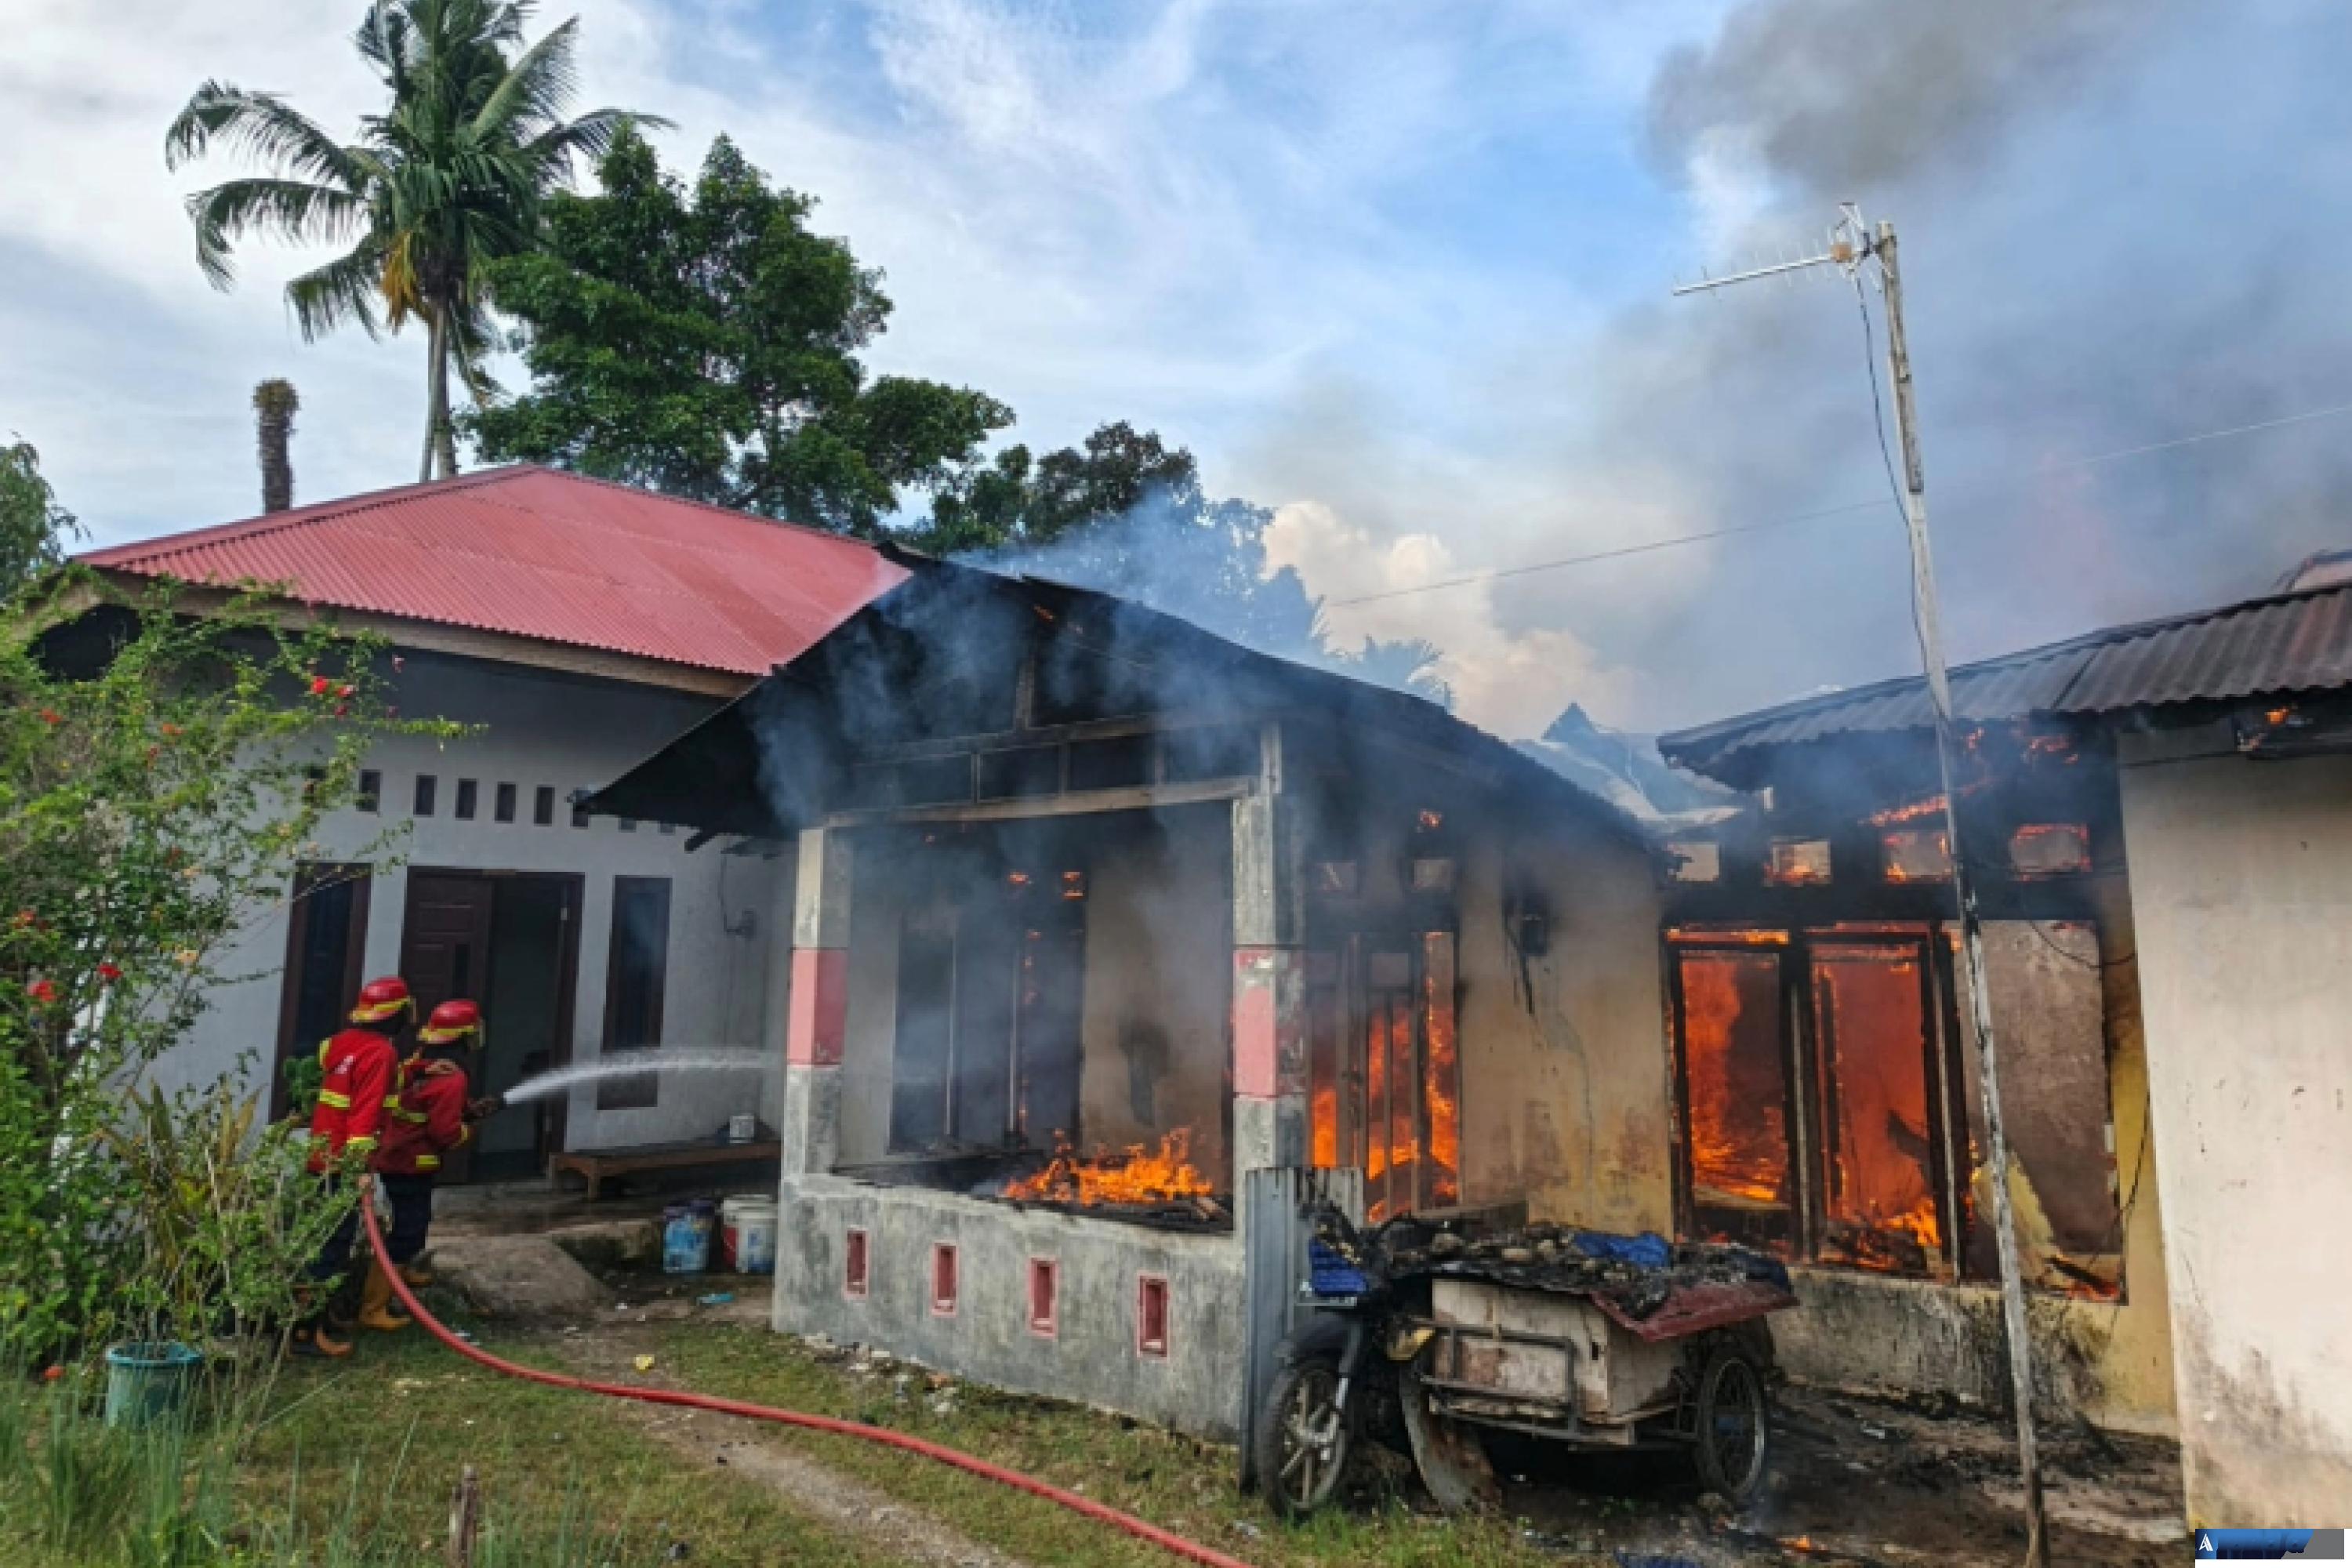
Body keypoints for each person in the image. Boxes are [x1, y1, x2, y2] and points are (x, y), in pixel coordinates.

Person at [358, 998, 500, 1331]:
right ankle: (373, 1307)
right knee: (409, 1228)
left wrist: (466, 1109)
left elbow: (425, 1103)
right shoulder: (453, 1078)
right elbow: (444, 1132)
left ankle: (401, 1271)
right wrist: (469, 1130)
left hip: (395, 1157)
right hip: (412, 1162)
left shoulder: (419, 1062)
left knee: (411, 1220)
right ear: (464, 1036)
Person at [295, 975, 411, 1358]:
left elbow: (356, 1084)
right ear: (395, 1015)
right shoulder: (380, 1053)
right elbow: (365, 1114)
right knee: (329, 1248)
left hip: (320, 1158)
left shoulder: (343, 1045)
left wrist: (413, 1072)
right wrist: (361, 1167)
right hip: (344, 1164)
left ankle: (322, 1320)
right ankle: (307, 1335)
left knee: (321, 1241)